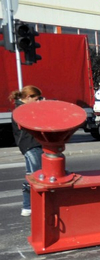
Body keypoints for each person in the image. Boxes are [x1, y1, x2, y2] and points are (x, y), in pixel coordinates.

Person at [9, 86, 44, 217]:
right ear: (28, 97)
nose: (38, 100)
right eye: (37, 98)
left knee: (32, 176)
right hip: (31, 145)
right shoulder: (22, 110)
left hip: (29, 145)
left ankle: (28, 206)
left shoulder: (22, 109)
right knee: (36, 177)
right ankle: (28, 206)